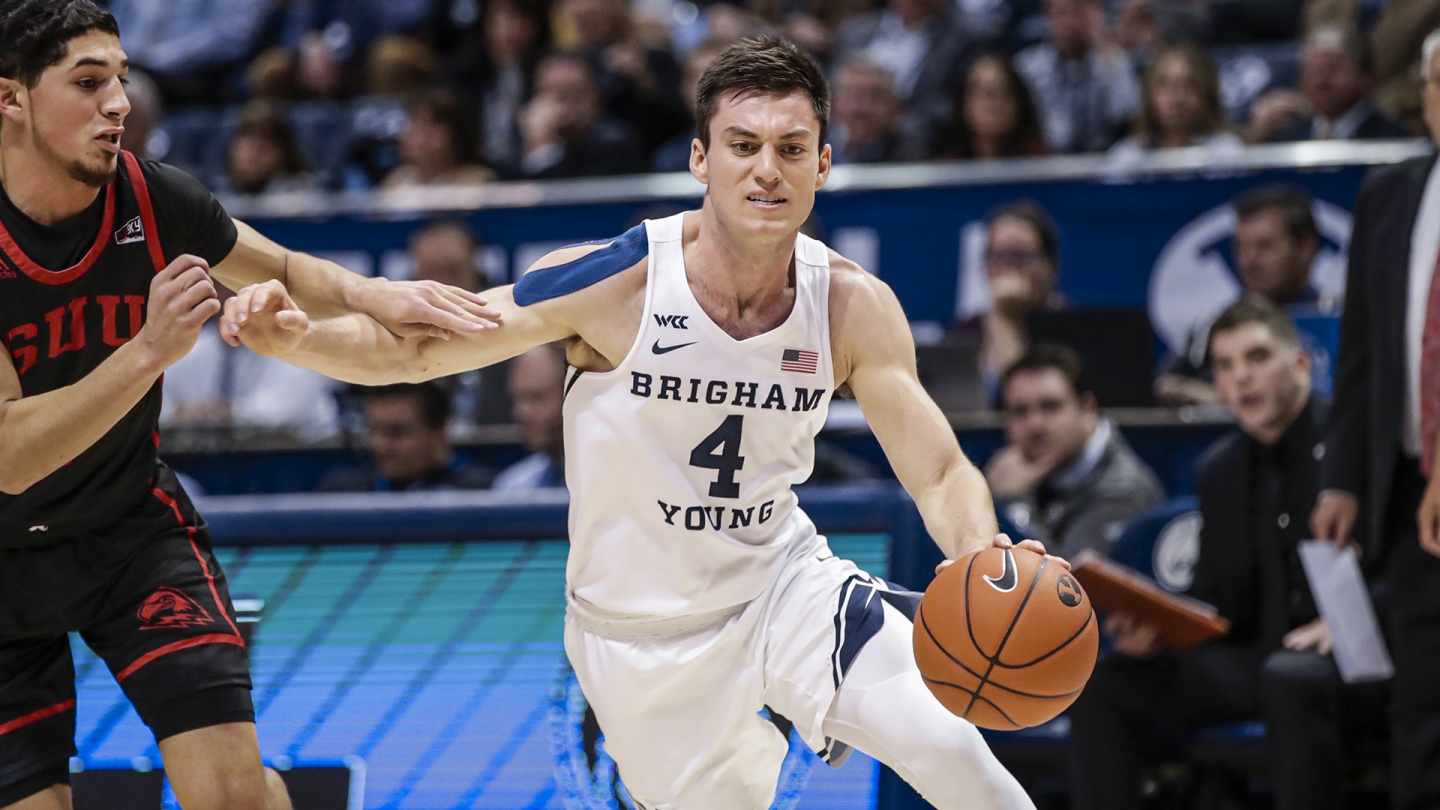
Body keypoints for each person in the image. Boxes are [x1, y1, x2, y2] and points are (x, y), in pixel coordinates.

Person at [226, 36, 1056, 809]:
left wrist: (985, 558)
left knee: (954, 753)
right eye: (743, 145)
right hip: (638, 634)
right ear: (700, 157)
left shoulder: (852, 304)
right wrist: (298, 339)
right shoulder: (617, 282)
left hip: (783, 585)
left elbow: (940, 472)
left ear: (824, 165)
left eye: (792, 149)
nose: (768, 170)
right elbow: (415, 356)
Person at [0, 5, 496, 810]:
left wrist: (378, 293)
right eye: (88, 83)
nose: (118, 103)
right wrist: (147, 353)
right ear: (12, 99)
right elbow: (11, 455)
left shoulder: (151, 197)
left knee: (232, 796)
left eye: (121, 80)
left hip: (127, 531)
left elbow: (290, 268)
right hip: (6, 558)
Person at [1070, 297, 1379, 810]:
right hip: (1255, 660)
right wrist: (1159, 628)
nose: (1242, 379)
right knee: (1104, 686)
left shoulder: (1352, 448)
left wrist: (1349, 622)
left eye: (1257, 358)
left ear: (1301, 364)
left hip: (1346, 655)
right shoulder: (1220, 470)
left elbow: (1396, 566)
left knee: (1290, 677)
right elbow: (1216, 600)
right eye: (1226, 366)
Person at [1311, 28, 1440, 809]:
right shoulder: (1389, 193)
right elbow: (1361, 352)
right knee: (1420, 703)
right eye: (1439, 81)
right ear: (1423, 96)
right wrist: (1344, 479)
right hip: (1404, 495)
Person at [987, 344, 1165, 561]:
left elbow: (1067, 585)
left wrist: (1015, 503)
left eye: (1051, 407)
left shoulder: (1123, 492)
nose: (1035, 425)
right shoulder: (1025, 471)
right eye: (1019, 412)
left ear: (1087, 410)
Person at [1156, 184, 1324, 406]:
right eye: (1241, 248)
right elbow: (1167, 384)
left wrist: (1226, 398)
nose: (1248, 261)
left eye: (1265, 246)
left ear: (1306, 247)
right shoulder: (1215, 324)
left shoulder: (1339, 319)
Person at [1015, 0, 1141, 154]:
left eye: (1078, 13)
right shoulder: (1027, 67)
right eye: (1061, 13)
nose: (1069, 23)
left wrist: (1108, 63)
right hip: (1044, 162)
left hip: (1103, 160)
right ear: (1047, 18)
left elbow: (1126, 113)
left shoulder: (1114, 61)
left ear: (1095, 16)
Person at [317, 382, 494, 492]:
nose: (379, 445)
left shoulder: (484, 492)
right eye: (374, 430)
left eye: (396, 432)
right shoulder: (343, 492)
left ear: (440, 430)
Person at [1247, 26, 1409, 144]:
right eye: (1313, 70)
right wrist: (1256, 137)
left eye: (1334, 68)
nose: (1322, 80)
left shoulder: (1392, 138)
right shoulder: (1287, 135)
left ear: (1365, 78)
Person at [972, 200, 1067, 395]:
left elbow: (1023, 401)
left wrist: (1003, 317)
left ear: (1052, 265)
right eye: (998, 256)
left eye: (1022, 255)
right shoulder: (966, 333)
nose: (1009, 268)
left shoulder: (1076, 333)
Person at [508, 52, 647, 179]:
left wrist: (543, 150)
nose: (561, 107)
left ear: (595, 98)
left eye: (573, 95)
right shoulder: (522, 137)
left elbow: (564, 201)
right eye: (551, 96)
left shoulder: (616, 145)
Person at [1107, 43, 1245, 162]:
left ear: (1206, 95)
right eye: (1165, 85)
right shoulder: (1127, 157)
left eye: (1189, 85)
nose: (1178, 99)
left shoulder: (1227, 153)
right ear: (1149, 93)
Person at [936, 52, 1049, 161]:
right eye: (982, 92)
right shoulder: (946, 171)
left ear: (1018, 103)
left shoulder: (1042, 166)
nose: (991, 103)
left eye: (1002, 91)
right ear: (964, 103)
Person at [381, 88, 495, 189]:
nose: (413, 134)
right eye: (412, 124)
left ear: (454, 133)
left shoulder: (477, 182)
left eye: (426, 126)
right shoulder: (396, 181)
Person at [493, 343, 567, 490]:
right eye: (517, 399)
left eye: (536, 397)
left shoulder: (613, 480)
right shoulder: (512, 489)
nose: (521, 412)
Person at [651, 41, 725, 173]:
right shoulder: (669, 161)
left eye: (720, 78)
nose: (707, 90)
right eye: (697, 78)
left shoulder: (767, 154)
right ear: (684, 90)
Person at [828, 60, 916, 164]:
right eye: (853, 97)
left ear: (895, 108)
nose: (862, 108)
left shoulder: (914, 159)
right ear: (833, 103)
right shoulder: (814, 148)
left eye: (875, 97)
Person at [223, 100, 315, 196]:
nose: (254, 152)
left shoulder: (303, 195)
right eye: (246, 138)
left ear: (284, 149)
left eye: (264, 138)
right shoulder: (217, 197)